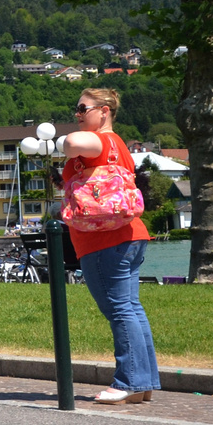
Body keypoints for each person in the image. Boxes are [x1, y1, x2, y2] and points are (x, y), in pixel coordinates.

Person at [56, 88, 158, 405]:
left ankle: (128, 381)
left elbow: (71, 144)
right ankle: (142, 383)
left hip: (103, 240)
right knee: (131, 309)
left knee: (119, 310)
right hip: (128, 236)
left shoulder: (100, 140)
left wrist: (64, 144)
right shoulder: (120, 147)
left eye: (82, 108)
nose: (77, 114)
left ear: (104, 111)